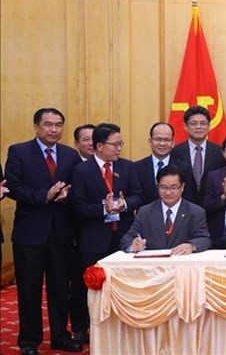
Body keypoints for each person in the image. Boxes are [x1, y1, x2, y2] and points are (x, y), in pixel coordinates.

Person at [5, 107, 83, 355]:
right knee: (29, 289)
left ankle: (60, 335)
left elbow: (76, 189)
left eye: (58, 125)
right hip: (30, 233)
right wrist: (45, 196)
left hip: (61, 233)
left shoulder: (70, 155)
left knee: (60, 287)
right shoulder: (19, 152)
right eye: (48, 124)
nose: (54, 129)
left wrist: (67, 196)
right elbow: (14, 187)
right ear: (36, 126)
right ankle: (29, 341)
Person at [71, 123, 144, 338]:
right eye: (116, 144)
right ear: (100, 146)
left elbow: (139, 195)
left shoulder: (128, 167)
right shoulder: (81, 171)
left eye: (121, 143)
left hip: (123, 236)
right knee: (90, 285)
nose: (119, 148)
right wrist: (104, 208)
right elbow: (77, 205)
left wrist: (124, 205)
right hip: (94, 238)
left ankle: (122, 327)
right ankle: (83, 329)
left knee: (123, 284)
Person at [120, 165, 211, 254]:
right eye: (163, 187)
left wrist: (191, 245)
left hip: (183, 265)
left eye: (173, 188)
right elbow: (127, 238)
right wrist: (133, 245)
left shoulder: (195, 212)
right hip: (153, 266)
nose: (168, 192)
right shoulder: (145, 212)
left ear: (182, 187)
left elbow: (204, 239)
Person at [68, 123, 95, 345]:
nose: (90, 143)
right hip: (76, 234)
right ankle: (79, 328)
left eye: (94, 138)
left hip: (105, 235)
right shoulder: (72, 167)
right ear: (77, 143)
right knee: (78, 284)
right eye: (85, 139)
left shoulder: (113, 166)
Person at [170, 105, 225, 204]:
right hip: (184, 210)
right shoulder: (175, 152)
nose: (198, 127)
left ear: (209, 126)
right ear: (185, 126)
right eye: (194, 123)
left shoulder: (220, 152)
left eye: (203, 123)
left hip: (213, 209)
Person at [134, 122, 193, 204]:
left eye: (167, 140)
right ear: (150, 142)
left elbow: (189, 199)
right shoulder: (137, 168)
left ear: (173, 143)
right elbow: (136, 197)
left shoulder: (184, 168)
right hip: (146, 215)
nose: (162, 143)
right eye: (158, 139)